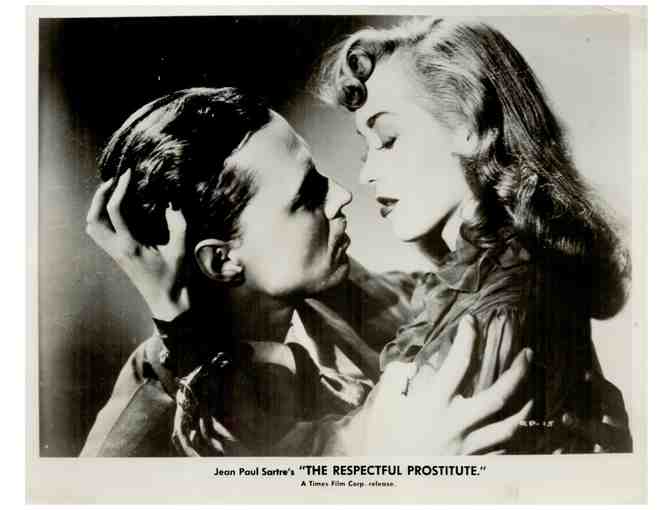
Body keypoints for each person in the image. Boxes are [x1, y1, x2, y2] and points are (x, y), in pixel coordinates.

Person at [81, 86, 630, 457]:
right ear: (222, 260)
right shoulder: (143, 426)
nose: (342, 196)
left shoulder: (343, 301)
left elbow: (481, 296)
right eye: (308, 196)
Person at [314, 17, 632, 452]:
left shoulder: (498, 310)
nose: (366, 173)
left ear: (469, 126)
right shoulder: (497, 275)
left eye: (388, 139)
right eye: (365, 148)